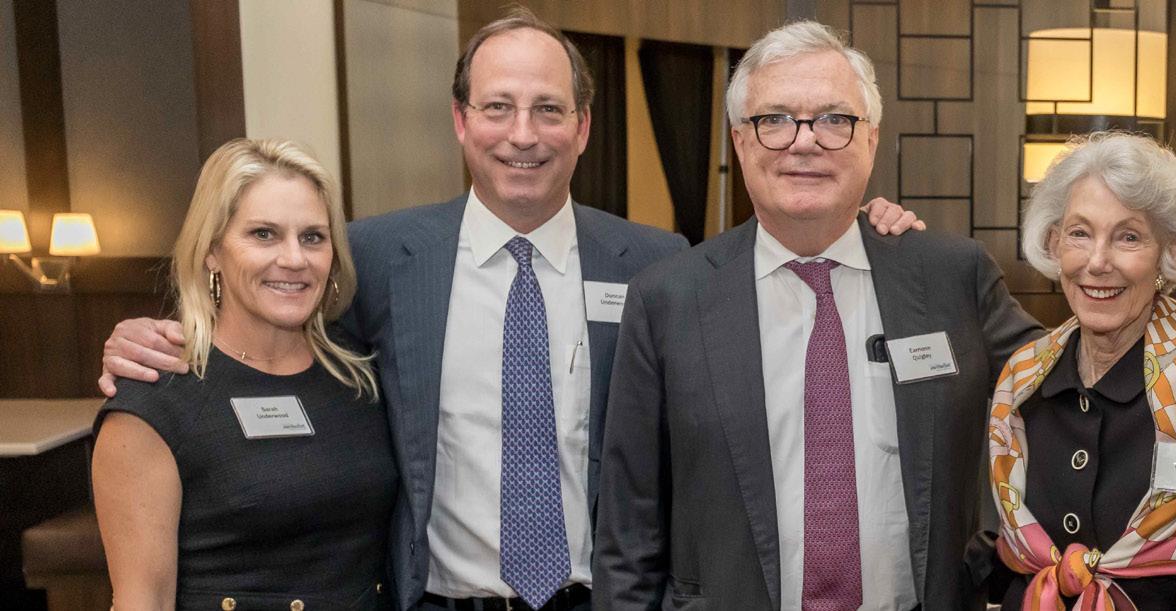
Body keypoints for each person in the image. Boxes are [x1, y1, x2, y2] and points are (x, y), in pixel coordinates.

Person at [96, 9, 921, 611]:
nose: (522, 134)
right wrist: (152, 338)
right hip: (438, 599)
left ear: (583, 127)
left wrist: (873, 231)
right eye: (497, 107)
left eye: (548, 109)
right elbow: (275, 332)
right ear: (460, 121)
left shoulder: (656, 264)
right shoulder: (375, 258)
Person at [594, 20, 1044, 610]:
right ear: (740, 142)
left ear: (871, 140)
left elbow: (1064, 398)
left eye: (833, 119)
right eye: (775, 119)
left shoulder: (950, 277)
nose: (804, 142)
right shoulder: (667, 299)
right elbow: (629, 529)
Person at [985, 132, 1176, 609]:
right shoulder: (1022, 381)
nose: (1097, 262)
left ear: (1168, 254)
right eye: (1079, 233)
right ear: (1053, 243)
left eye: (1128, 237)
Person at [93, 138, 393, 610]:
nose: (294, 259)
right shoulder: (157, 396)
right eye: (264, 234)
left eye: (313, 237)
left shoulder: (360, 376)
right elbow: (143, 599)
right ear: (212, 250)